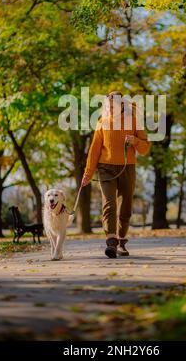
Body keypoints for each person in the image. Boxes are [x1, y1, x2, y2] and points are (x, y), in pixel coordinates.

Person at [81, 91, 151, 258]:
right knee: (109, 204)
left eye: (112, 105)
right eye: (107, 106)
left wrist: (136, 141)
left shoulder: (134, 121)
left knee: (125, 205)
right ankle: (111, 242)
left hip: (128, 167)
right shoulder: (101, 122)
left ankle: (121, 242)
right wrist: (88, 173)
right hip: (105, 168)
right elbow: (94, 150)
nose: (109, 108)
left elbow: (145, 149)